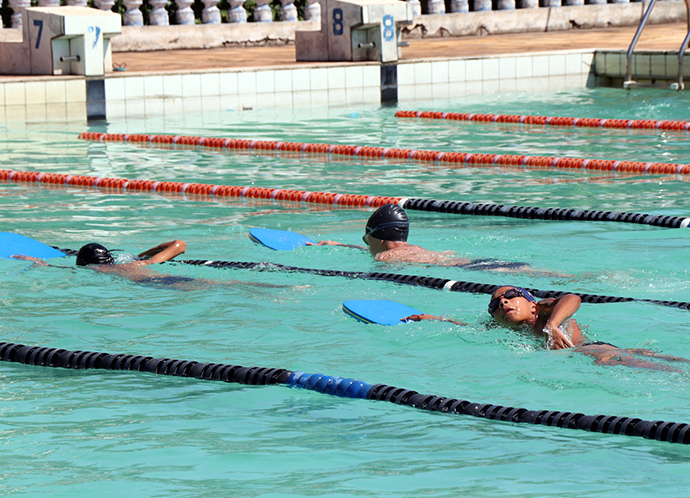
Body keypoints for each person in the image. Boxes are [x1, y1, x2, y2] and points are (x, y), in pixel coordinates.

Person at [405, 286, 690, 372]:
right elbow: (472, 328)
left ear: (531, 301)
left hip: (594, 351)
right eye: (495, 305)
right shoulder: (507, 330)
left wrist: (553, 325)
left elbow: (573, 297)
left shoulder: (544, 313)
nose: (503, 303)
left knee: (671, 365)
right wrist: (435, 320)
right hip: (585, 358)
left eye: (510, 296)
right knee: (661, 361)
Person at [311, 204, 570, 276]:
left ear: (377, 238)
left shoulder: (384, 258)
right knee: (543, 273)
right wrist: (339, 245)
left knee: (538, 275)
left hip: (470, 271)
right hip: (475, 262)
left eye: (366, 240)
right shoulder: (408, 249)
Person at [14, 240, 285, 290]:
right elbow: (179, 244)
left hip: (156, 286)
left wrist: (35, 261)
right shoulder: (137, 264)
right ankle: (278, 287)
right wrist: (142, 256)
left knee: (223, 287)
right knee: (227, 284)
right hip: (158, 276)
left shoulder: (97, 269)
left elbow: (56, 269)